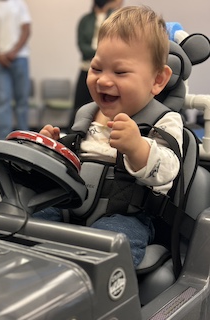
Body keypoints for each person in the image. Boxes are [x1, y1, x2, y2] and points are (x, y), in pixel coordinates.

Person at [34, 6, 183, 268]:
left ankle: (85, 295)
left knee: (108, 244)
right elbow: (74, 156)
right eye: (97, 68)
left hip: (124, 217)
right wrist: (54, 148)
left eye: (120, 72)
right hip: (71, 206)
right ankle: (29, 277)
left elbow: (168, 170)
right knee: (28, 218)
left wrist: (138, 148)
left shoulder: (163, 120)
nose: (103, 81)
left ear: (157, 79)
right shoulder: (88, 114)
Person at [0, 0, 31, 140]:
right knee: (3, 101)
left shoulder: (20, 4)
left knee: (22, 101)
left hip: (21, 58)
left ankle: (25, 139)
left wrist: (14, 52)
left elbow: (26, 30)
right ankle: (3, 142)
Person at [68, 0, 120, 130]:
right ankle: (73, 134)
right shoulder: (85, 20)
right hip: (86, 68)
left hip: (107, 71)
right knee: (78, 106)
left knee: (103, 103)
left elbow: (116, 45)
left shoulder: (114, 18)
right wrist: (101, 54)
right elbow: (82, 47)